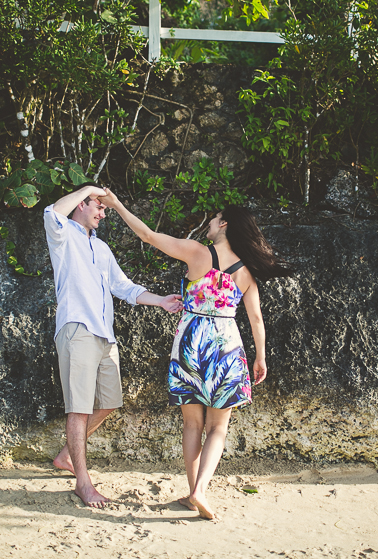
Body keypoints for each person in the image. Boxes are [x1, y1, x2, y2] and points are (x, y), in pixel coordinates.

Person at [100, 188, 292, 519]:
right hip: (227, 345)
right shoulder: (247, 272)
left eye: (214, 218)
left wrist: (117, 203)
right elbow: (256, 319)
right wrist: (261, 357)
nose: (210, 223)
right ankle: (200, 490)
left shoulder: (197, 253)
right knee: (218, 427)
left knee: (192, 424)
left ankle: (193, 493)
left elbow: (147, 235)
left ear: (225, 224)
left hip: (191, 342)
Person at [43, 185, 182, 509]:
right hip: (76, 328)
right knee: (78, 409)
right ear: (81, 204)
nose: (103, 213)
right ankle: (83, 483)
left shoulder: (102, 248)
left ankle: (66, 456)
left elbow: (123, 287)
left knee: (108, 403)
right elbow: (51, 212)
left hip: (105, 336)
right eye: (98, 206)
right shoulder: (64, 237)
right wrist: (89, 188)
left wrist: (160, 301)